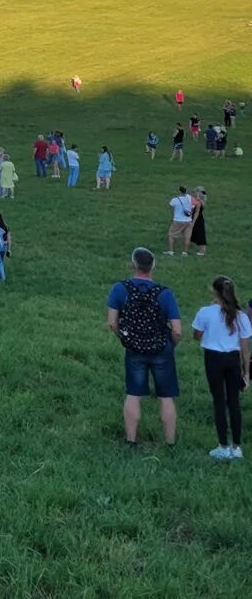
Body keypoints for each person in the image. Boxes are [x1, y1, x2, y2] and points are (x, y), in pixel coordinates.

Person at [106, 247, 182, 449]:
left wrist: (125, 338)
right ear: (153, 267)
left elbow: (112, 322)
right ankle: (170, 443)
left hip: (134, 348)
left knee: (134, 394)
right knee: (166, 397)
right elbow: (177, 330)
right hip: (161, 348)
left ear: (133, 265)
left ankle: (131, 440)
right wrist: (170, 345)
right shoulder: (165, 293)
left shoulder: (120, 288)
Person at [192, 276, 250, 459]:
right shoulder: (240, 316)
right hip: (233, 359)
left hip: (213, 358)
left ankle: (222, 445)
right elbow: (245, 348)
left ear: (214, 291)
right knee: (234, 403)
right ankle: (237, 447)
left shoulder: (206, 312)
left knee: (219, 401)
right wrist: (246, 372)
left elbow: (196, 335)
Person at [168, 188, 195, 256]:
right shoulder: (190, 199)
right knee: (187, 237)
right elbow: (193, 208)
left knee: (171, 235)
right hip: (188, 221)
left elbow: (171, 208)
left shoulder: (175, 199)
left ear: (179, 191)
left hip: (178, 220)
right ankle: (185, 252)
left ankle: (171, 251)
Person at [190, 187, 209, 258]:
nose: (195, 193)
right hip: (193, 218)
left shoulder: (201, 201)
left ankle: (202, 251)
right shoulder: (195, 199)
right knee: (193, 233)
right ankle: (191, 246)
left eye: (198, 192)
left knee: (200, 234)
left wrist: (199, 198)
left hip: (199, 219)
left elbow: (202, 206)